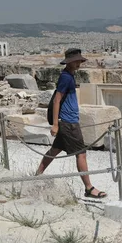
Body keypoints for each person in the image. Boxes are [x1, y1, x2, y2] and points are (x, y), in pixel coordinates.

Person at [35, 48, 107, 199]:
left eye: (79, 60)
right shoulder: (66, 77)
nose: (79, 63)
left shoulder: (70, 76)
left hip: (68, 121)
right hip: (69, 123)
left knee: (54, 150)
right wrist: (55, 124)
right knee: (81, 154)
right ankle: (89, 188)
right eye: (76, 60)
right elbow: (57, 100)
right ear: (70, 62)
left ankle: (37, 175)